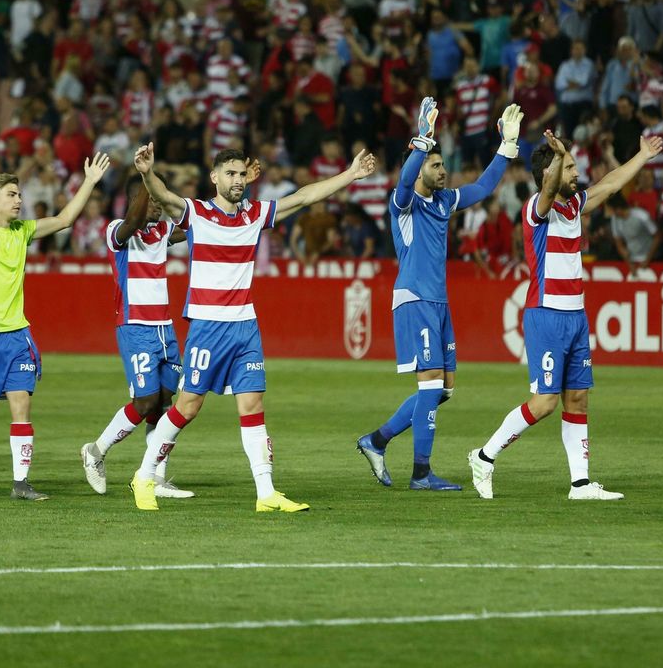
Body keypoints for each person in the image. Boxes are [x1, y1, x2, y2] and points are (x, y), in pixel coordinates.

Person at [126, 142, 379, 513]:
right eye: (229, 173)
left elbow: (305, 196)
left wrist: (352, 175)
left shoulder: (256, 214)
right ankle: (144, 476)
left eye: (241, 173)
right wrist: (147, 173)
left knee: (253, 405)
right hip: (208, 327)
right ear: (214, 178)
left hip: (246, 327)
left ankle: (266, 493)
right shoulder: (196, 213)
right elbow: (164, 197)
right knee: (188, 407)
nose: (237, 180)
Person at [467, 131, 663, 501]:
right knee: (545, 402)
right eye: (570, 167)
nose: (577, 173)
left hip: (576, 316)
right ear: (551, 174)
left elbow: (609, 185)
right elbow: (546, 191)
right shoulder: (536, 210)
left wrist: (641, 157)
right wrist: (558, 159)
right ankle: (483, 456)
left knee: (578, 400)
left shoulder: (573, 206)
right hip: (547, 315)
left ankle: (580, 484)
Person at [355, 101, 523, 491]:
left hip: (439, 303)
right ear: (419, 171)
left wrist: (506, 148)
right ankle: (421, 473)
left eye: (442, 164)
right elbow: (403, 180)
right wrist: (422, 141)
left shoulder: (445, 202)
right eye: (435, 165)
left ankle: (377, 441)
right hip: (414, 299)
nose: (442, 170)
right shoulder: (405, 205)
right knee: (430, 388)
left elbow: (481, 187)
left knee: (443, 390)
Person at [0, 154, 111, 500]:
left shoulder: (22, 232)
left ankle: (20, 483)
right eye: (12, 194)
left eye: (19, 194)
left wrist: (89, 181)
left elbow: (65, 219)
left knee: (21, 403)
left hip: (16, 335)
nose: (19, 200)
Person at [80, 175, 231, 499]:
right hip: (135, 327)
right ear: (135, 199)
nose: (158, 207)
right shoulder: (116, 232)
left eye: (160, 202)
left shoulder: (161, 232)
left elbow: (197, 226)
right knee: (145, 401)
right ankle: (96, 451)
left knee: (163, 404)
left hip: (164, 328)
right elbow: (133, 219)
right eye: (152, 200)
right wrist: (146, 181)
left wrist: (229, 200)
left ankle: (156, 478)